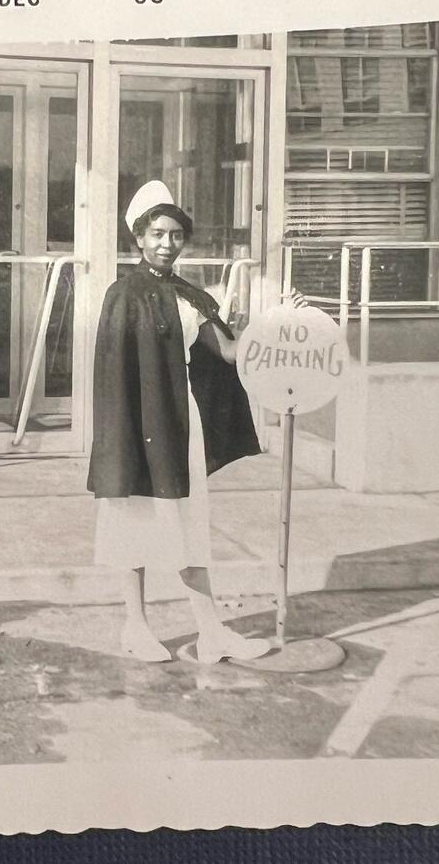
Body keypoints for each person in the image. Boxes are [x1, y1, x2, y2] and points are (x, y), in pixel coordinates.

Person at [87, 180, 297, 664]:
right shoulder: (123, 294)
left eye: (176, 234)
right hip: (136, 426)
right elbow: (114, 377)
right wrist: (119, 441)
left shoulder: (189, 296)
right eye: (157, 233)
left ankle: (211, 634)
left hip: (181, 426)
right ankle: (136, 629)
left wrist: (275, 324)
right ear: (139, 238)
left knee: (189, 529)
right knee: (132, 527)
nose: (166, 243)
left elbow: (225, 352)